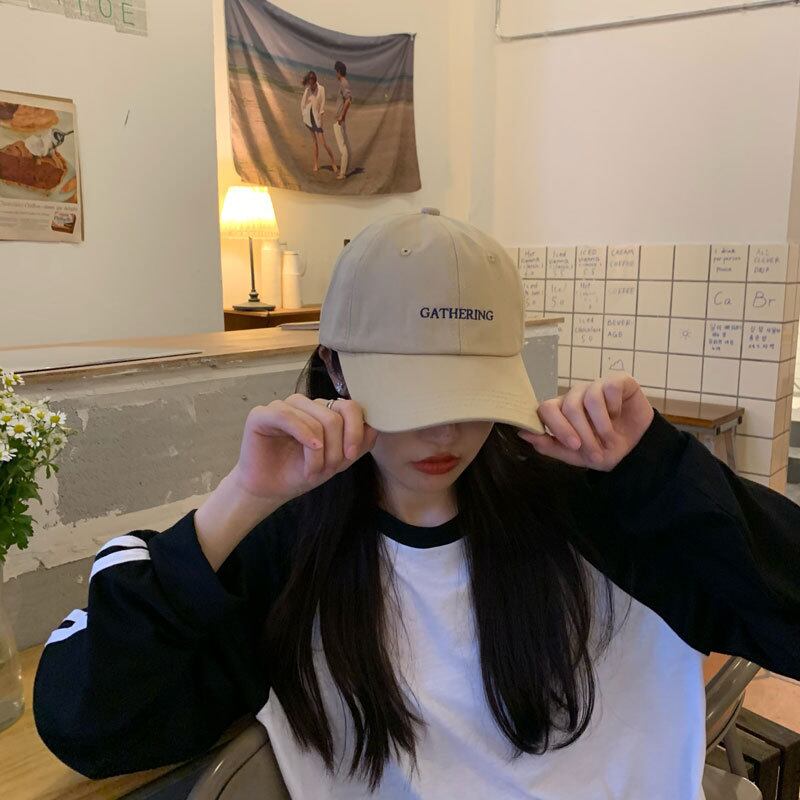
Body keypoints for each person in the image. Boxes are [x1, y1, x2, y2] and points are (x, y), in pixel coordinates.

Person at [33, 209, 800, 799]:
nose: (444, 431)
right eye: (414, 395)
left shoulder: (589, 507)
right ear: (335, 368)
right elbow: (88, 724)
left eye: (470, 393)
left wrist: (663, 472)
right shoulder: (290, 547)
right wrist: (241, 500)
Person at [300, 70, 337, 174]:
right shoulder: (307, 90)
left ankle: (333, 162)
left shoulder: (321, 89)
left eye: (312, 84)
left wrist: (321, 119)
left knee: (323, 143)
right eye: (309, 84)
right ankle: (316, 163)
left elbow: (322, 105)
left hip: (317, 118)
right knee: (314, 142)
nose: (311, 86)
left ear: (315, 81)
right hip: (309, 118)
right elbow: (302, 103)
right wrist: (304, 112)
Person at [333, 60, 352, 180]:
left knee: (342, 147)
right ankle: (343, 171)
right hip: (339, 119)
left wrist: (341, 116)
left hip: (340, 120)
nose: (336, 74)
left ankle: (343, 173)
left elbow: (348, 100)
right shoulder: (344, 83)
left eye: (336, 71)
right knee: (343, 146)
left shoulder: (344, 83)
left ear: (339, 71)